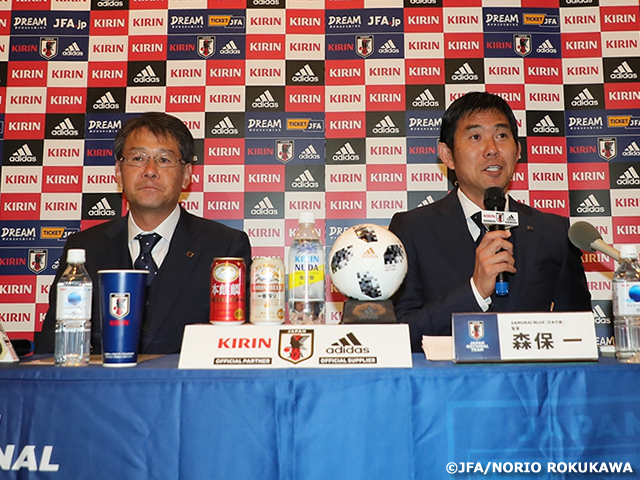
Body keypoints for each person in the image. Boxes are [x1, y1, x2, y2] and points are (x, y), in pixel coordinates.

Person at [389, 92, 591, 352]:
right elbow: (400, 335)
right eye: (475, 137)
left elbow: (578, 336)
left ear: (518, 151)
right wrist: (475, 291)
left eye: (502, 136)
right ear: (447, 155)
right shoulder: (412, 230)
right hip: (447, 389)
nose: (492, 149)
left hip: (529, 388)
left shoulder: (554, 232)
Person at [36, 112, 252, 355]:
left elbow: (236, 347)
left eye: (164, 159)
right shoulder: (84, 248)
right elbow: (52, 347)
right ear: (118, 171)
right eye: (138, 158)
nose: (150, 170)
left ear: (187, 175)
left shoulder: (224, 247)